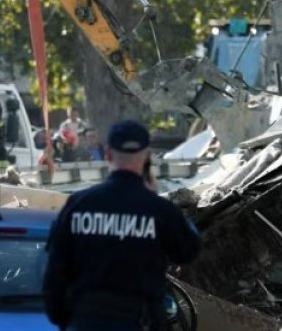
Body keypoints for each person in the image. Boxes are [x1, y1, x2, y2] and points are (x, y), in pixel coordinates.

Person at [43, 120, 200, 331]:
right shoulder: (158, 210)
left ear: (107, 153)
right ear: (147, 156)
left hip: (86, 322)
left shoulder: (78, 205)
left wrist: (67, 321)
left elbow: (54, 272)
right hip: (140, 322)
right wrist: (153, 200)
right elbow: (189, 250)